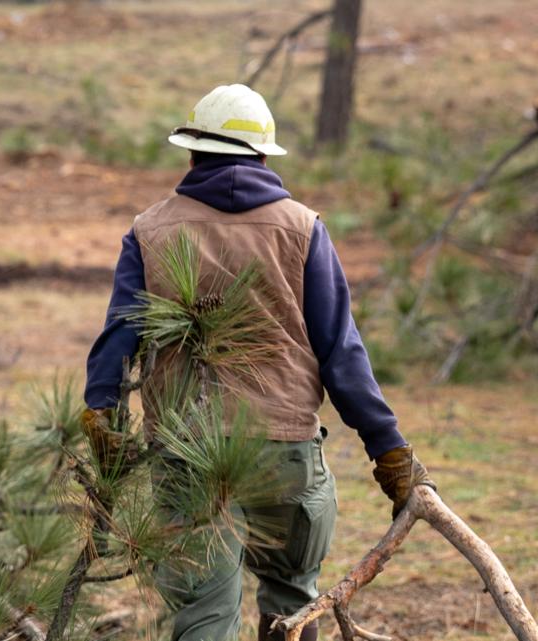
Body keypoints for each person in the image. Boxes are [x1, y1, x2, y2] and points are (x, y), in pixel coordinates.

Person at [82, 84, 434, 641]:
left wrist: (101, 417)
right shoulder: (302, 228)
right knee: (293, 602)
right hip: (286, 454)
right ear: (264, 158)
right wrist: (389, 452)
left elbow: (118, 339)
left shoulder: (149, 231)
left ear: (191, 153)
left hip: (187, 453)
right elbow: (341, 354)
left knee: (203, 616)